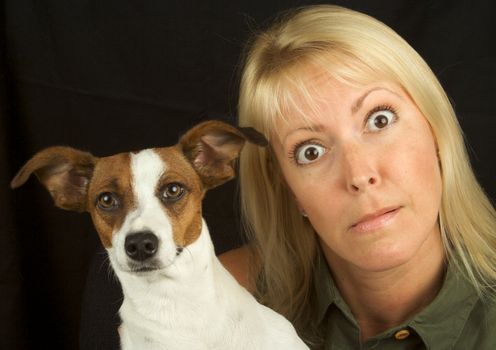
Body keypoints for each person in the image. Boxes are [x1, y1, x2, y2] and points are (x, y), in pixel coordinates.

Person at [221, 4, 496, 349]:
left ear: (436, 131)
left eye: (379, 120)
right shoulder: (223, 301)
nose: (359, 174)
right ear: (289, 189)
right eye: (311, 151)